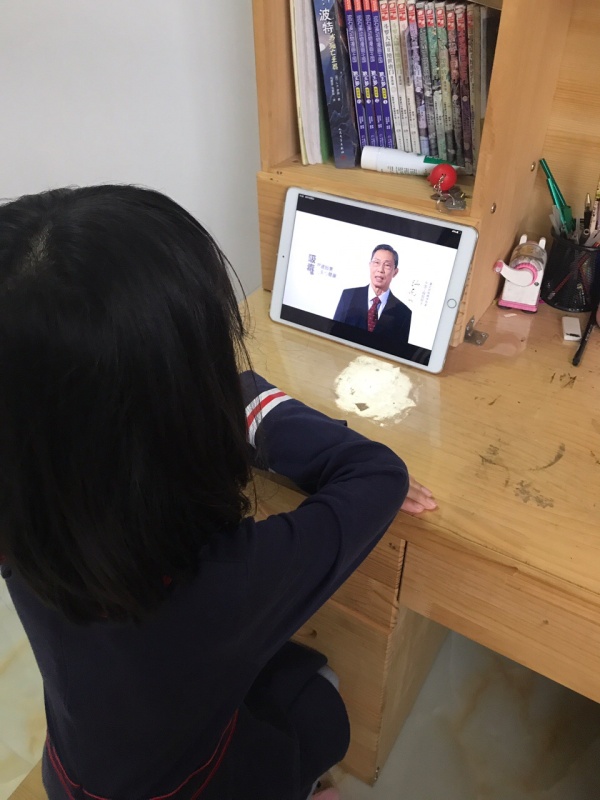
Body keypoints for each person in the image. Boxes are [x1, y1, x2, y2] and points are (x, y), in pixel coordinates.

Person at [0, 186, 436, 800]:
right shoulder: (227, 581)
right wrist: (240, 393)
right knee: (324, 704)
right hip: (202, 786)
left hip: (73, 773)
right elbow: (379, 475)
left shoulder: (21, 514)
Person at [333, 244, 412, 343]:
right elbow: (333, 333)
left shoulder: (403, 313)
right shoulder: (348, 296)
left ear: (395, 272)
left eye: (387, 265)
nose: (380, 270)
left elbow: (399, 350)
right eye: (376, 262)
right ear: (370, 265)